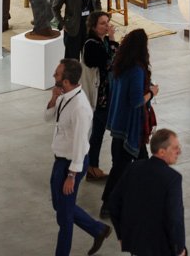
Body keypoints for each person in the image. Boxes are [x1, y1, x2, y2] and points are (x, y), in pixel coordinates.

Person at [44, 59, 111, 256]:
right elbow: (48, 118)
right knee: (60, 205)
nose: (53, 77)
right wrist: (52, 99)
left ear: (66, 81)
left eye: (56, 75)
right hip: (60, 161)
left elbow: (81, 145)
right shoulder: (64, 95)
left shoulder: (81, 108)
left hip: (72, 164)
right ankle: (97, 229)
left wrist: (72, 175)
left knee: (64, 218)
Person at [101, 29, 157, 218]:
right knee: (122, 166)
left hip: (119, 122)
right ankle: (108, 203)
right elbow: (136, 101)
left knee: (134, 163)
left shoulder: (120, 64)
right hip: (131, 127)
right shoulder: (137, 70)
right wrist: (152, 92)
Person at [110, 128, 187, 256]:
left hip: (137, 245)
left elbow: (114, 202)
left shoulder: (134, 168)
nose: (179, 151)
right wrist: (179, 249)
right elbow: (175, 219)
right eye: (175, 148)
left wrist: (122, 235)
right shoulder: (172, 178)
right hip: (162, 248)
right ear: (162, 152)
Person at [82, 11, 117, 182]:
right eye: (103, 23)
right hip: (99, 95)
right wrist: (112, 41)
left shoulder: (100, 41)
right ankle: (91, 167)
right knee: (97, 132)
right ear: (94, 26)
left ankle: (92, 165)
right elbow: (109, 61)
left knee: (99, 131)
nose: (107, 26)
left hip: (105, 93)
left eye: (107, 22)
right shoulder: (91, 44)